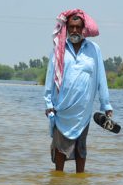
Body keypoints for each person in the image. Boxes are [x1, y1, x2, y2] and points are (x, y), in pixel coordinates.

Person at [43, 9, 113, 173]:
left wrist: (106, 104)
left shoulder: (94, 49)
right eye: (71, 27)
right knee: (60, 149)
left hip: (83, 110)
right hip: (62, 109)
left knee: (81, 149)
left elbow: (101, 78)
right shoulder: (59, 49)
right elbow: (50, 78)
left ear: (84, 29)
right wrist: (48, 103)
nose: (74, 30)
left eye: (78, 27)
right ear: (66, 28)